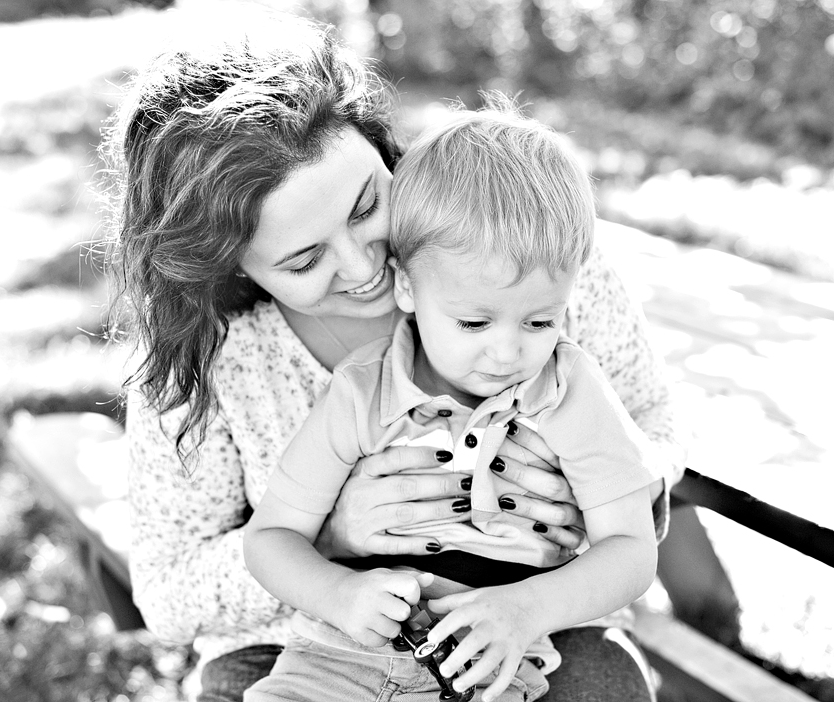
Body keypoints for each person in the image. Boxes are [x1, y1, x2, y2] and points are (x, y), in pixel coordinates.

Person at [102, 7, 685, 702]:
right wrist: (333, 540)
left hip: (538, 630)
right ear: (230, 269)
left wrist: (599, 490)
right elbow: (169, 591)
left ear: (382, 149)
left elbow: (651, 428)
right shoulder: (226, 358)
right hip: (305, 646)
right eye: (304, 258)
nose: (363, 266)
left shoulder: (523, 255)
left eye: (365, 205)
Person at [242, 104, 663, 702]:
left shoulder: (568, 390)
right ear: (407, 288)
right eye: (473, 322)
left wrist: (526, 610)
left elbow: (630, 551)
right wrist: (338, 594)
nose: (508, 352)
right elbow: (271, 537)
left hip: (485, 664)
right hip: (338, 659)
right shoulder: (364, 392)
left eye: (542, 320)